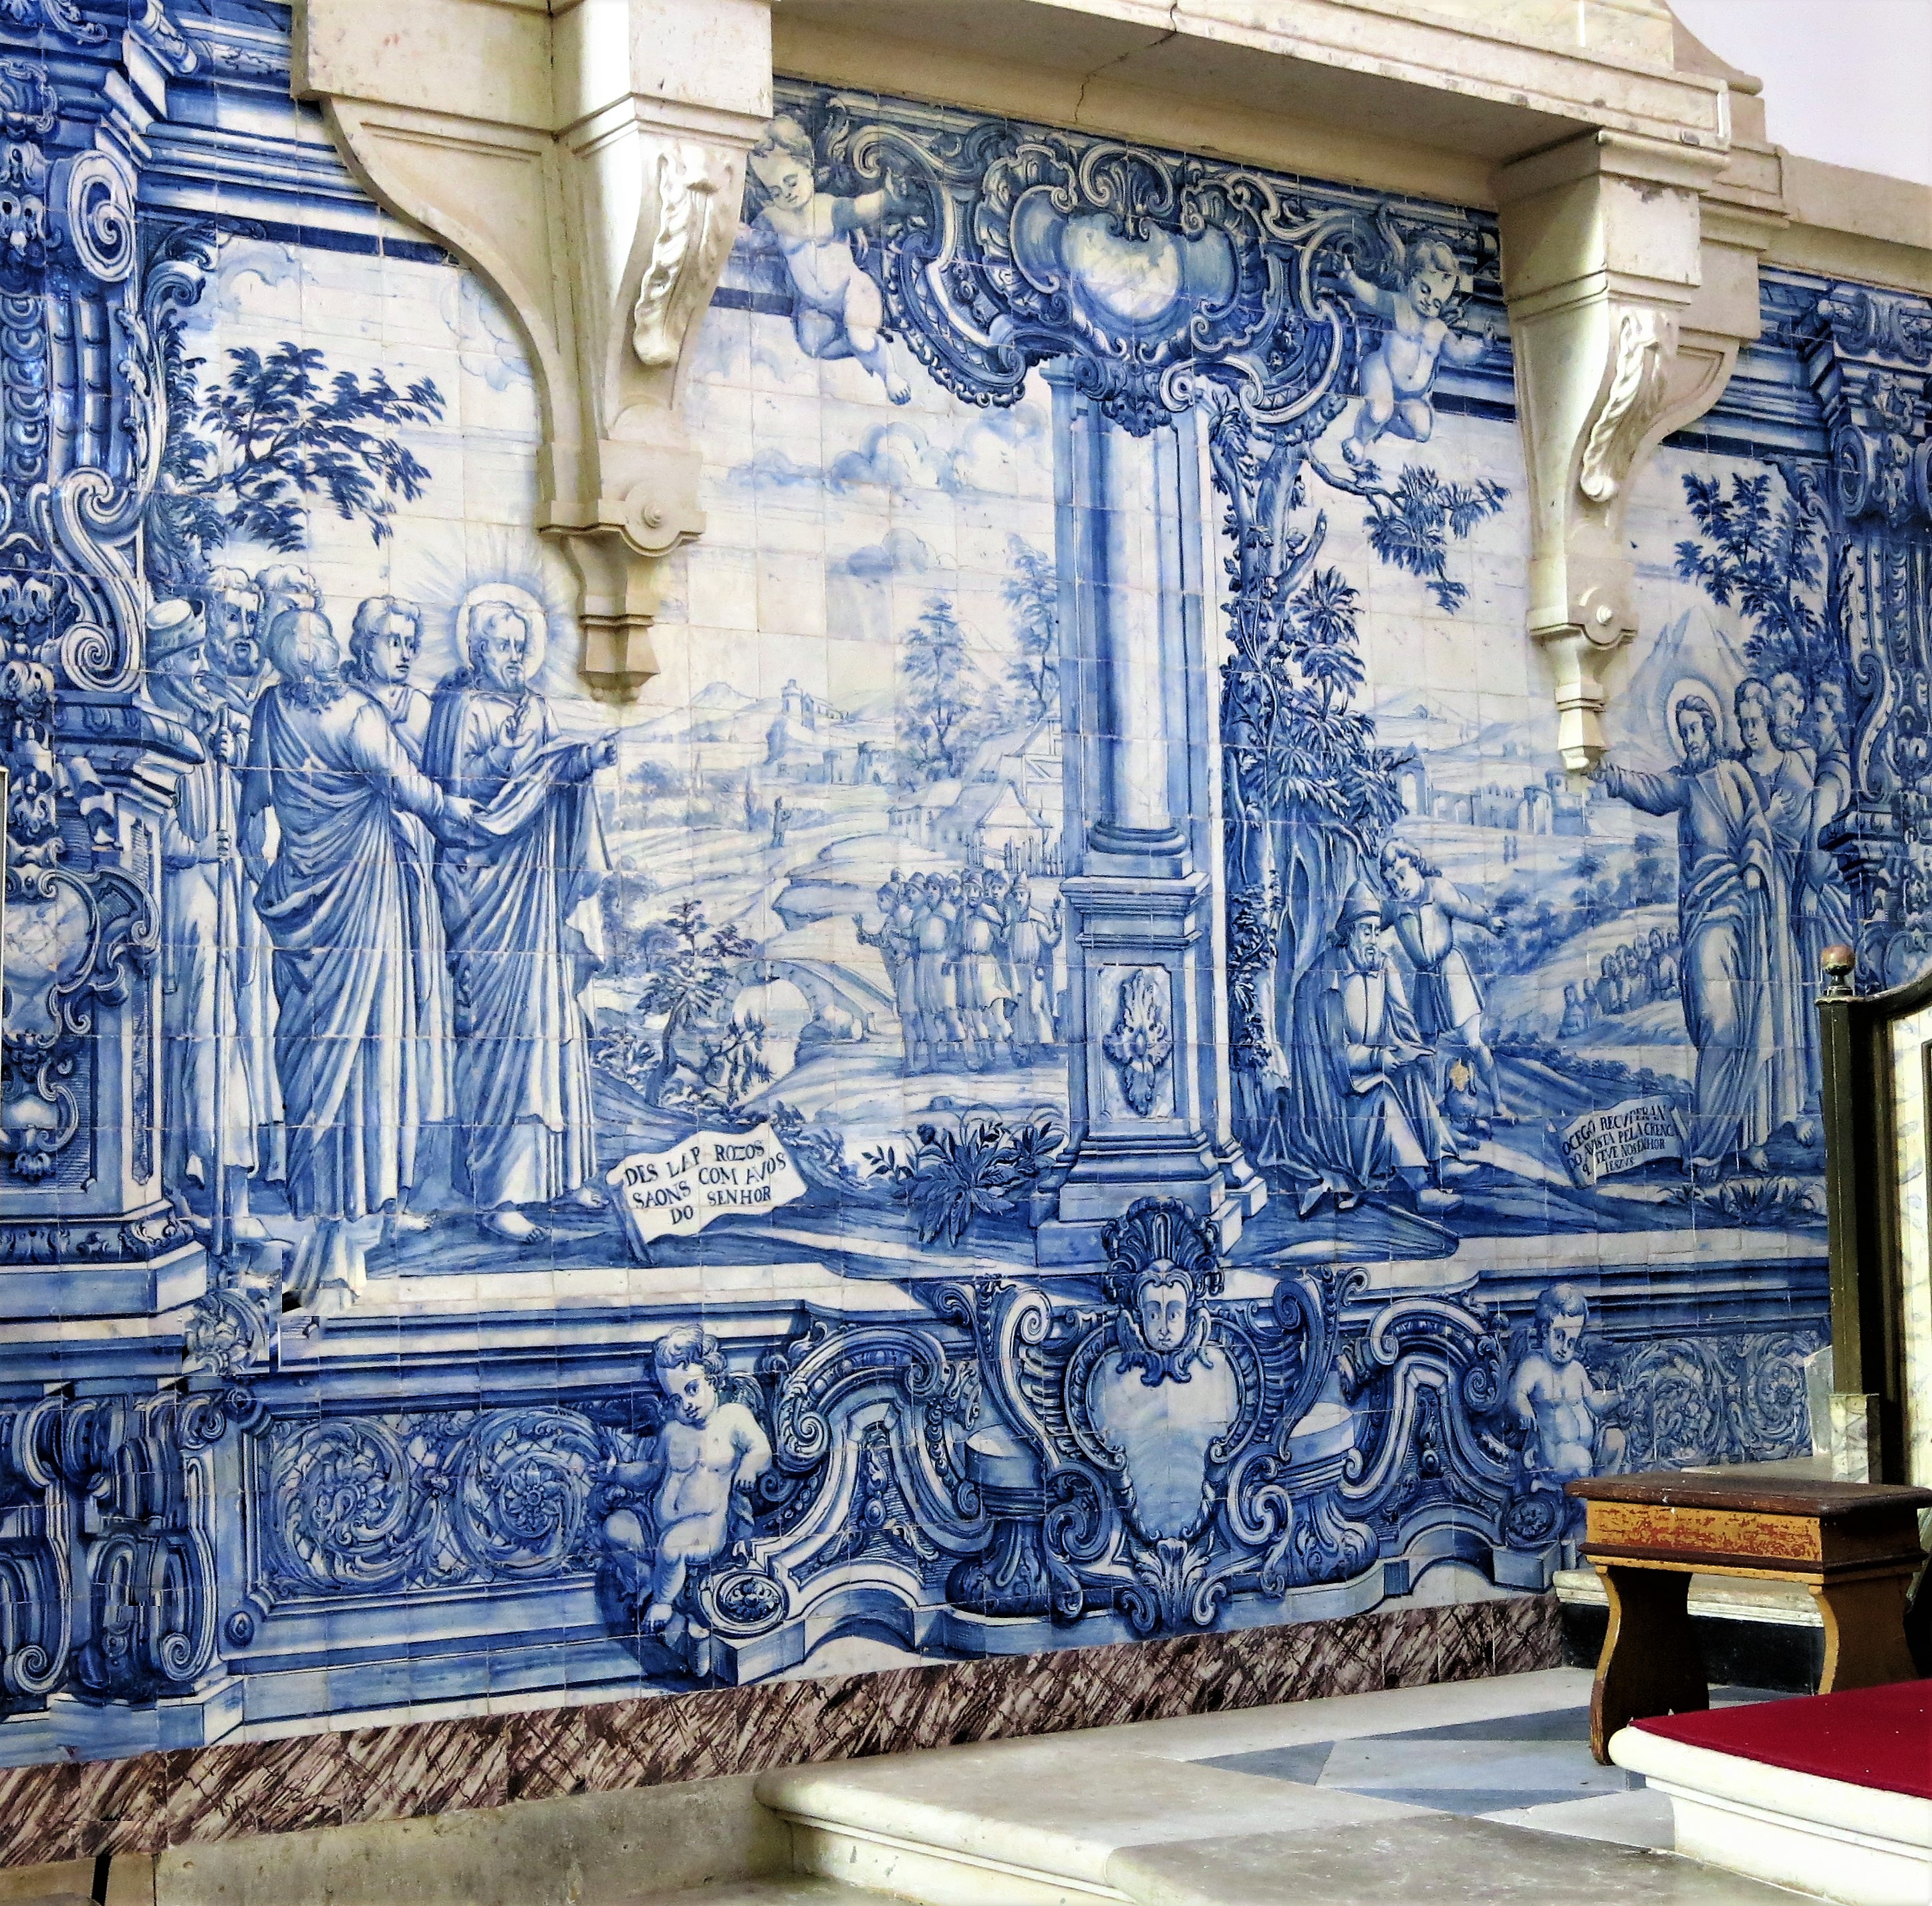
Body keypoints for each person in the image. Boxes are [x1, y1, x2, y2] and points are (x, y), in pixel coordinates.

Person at [239, 607, 478, 1303]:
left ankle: (327, 1210)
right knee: (366, 1049)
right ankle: (353, 1210)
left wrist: (259, 871)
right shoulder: (356, 712)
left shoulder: (270, 709)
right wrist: (459, 812)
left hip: (299, 904)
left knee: (311, 1051)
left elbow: (251, 804)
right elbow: (407, 788)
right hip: (364, 898)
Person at [422, 587, 615, 1244]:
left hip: (535, 890)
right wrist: (536, 769)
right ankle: (498, 1195)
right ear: (475, 650)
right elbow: (461, 799)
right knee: (497, 1038)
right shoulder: (457, 708)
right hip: (481, 892)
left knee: (549, 1023)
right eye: (501, 646)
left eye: (520, 646)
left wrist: (583, 761)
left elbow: (552, 777)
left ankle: (561, 1174)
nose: (514, 657)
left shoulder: (536, 707)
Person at [1594, 690, 1778, 1175]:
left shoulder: (1733, 776)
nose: (1689, 739)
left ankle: (1720, 1144)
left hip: (1739, 912)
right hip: (1704, 917)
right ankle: (1710, 1140)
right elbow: (1650, 789)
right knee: (1717, 1023)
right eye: (1682, 733)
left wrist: (1753, 866)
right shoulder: (1684, 783)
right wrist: (1612, 776)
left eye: (1694, 730)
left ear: (1711, 730)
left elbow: (1756, 826)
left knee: (1739, 1027)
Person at [148, 599, 260, 1242]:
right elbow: (146, 826)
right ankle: (198, 1194)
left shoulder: (203, 723)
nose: (200, 666)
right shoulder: (155, 727)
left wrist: (226, 762)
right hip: (183, 913)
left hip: (214, 912)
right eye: (190, 656)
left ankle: (225, 1199)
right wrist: (194, 848)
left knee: (215, 1046)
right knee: (194, 1050)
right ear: (165, 663)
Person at [345, 596, 450, 1238]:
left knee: (408, 1034)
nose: (405, 653)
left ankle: (397, 1193)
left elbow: (439, 785)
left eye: (412, 641)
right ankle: (362, 1196)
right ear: (363, 645)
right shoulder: (344, 705)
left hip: (412, 878)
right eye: (392, 640)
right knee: (369, 1041)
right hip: (356, 886)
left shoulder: (423, 711)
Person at [1280, 879, 1473, 1217]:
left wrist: (1413, 1053)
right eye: (1365, 931)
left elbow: (1402, 1022)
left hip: (1367, 1070)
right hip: (1335, 1097)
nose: (1373, 940)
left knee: (1409, 1076)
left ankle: (1441, 1159)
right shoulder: (1327, 982)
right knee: (1382, 1093)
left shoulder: (1383, 967)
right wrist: (1380, 1057)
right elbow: (1334, 1057)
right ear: (1348, 933)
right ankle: (1422, 1188)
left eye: (1375, 931)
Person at [601, 1325, 772, 1635]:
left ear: (712, 1377)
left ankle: (663, 1601)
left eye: (692, 1389)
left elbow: (761, 1449)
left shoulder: (732, 1418)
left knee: (672, 1546)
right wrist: (616, 1472)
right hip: (657, 1527)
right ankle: (646, 1580)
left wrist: (748, 1468)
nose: (686, 1405)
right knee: (615, 1529)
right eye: (676, 1399)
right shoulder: (672, 1431)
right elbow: (650, 1473)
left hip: (705, 1529)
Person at [743, 115, 911, 404]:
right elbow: (751, 239)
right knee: (812, 347)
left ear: (808, 169)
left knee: (861, 338)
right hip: (813, 305)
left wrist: (889, 198)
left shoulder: (827, 208)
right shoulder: (774, 218)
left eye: (791, 182)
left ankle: (888, 372)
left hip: (852, 290)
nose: (787, 194)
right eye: (776, 192)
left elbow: (861, 209)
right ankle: (857, 344)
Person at [1379, 839, 1513, 1122]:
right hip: (1425, 981)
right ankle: (1434, 1102)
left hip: (1452, 973)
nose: (1399, 886)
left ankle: (1499, 1104)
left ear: (1415, 865)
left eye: (1401, 875)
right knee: (1428, 1046)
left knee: (1473, 1042)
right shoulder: (1394, 906)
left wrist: (1489, 922)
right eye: (1392, 882)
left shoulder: (1437, 889)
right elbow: (1371, 918)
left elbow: (1466, 908)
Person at [1340, 233, 1490, 462]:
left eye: (1437, 302)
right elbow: (1373, 297)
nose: (1429, 302)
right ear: (1412, 279)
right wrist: (1350, 278)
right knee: (1378, 412)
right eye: (1425, 290)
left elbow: (1458, 352)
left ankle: (1389, 422)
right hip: (1382, 372)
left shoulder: (1439, 329)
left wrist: (1484, 347)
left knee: (1423, 431)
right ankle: (1359, 440)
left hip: (1412, 395)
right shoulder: (1399, 306)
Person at [1734, 678, 1808, 1142]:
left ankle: (1790, 1109)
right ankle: (1755, 1125)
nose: (1749, 731)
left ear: (1768, 719)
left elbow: (1806, 827)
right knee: (1757, 997)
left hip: (1783, 894)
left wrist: (1769, 828)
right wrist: (1768, 820)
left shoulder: (1791, 766)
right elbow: (1733, 834)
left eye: (1755, 722)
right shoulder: (1735, 774)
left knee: (1785, 992)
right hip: (1752, 899)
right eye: (1742, 723)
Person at [1797, 679, 1857, 1109]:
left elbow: (1819, 845)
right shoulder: (1841, 768)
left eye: (1819, 717)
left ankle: (1828, 1095)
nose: (1812, 725)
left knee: (1826, 996)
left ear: (1836, 721)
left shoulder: (1829, 776)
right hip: (1838, 895)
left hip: (1826, 900)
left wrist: (1811, 886)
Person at [1509, 1283, 1625, 1486]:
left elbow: (1593, 1401)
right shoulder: (1534, 1365)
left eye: (1571, 1342)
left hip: (1586, 1449)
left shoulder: (1576, 1369)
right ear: (1544, 1331)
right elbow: (1516, 1392)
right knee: (1581, 1460)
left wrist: (1616, 1397)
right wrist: (1524, 1409)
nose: (1564, 1348)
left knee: (1616, 1440)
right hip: (1555, 1455)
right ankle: (1588, 1495)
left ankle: (1601, 1492)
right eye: (1559, 1336)